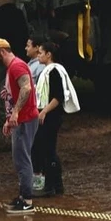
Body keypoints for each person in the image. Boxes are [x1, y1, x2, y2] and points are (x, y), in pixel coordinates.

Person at [0, 37, 39, 213]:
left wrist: (15, 113)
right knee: (19, 159)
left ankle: (27, 200)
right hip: (19, 120)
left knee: (22, 159)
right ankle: (23, 197)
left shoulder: (16, 66)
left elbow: (27, 88)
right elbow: (17, 90)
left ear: (2, 51)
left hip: (24, 119)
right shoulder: (11, 68)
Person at [33, 41, 79, 196]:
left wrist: (44, 111)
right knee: (47, 149)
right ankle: (56, 186)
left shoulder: (54, 71)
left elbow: (57, 96)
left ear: (48, 54)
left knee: (49, 151)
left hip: (51, 116)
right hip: (48, 116)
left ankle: (51, 186)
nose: (38, 55)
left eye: (40, 52)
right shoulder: (48, 70)